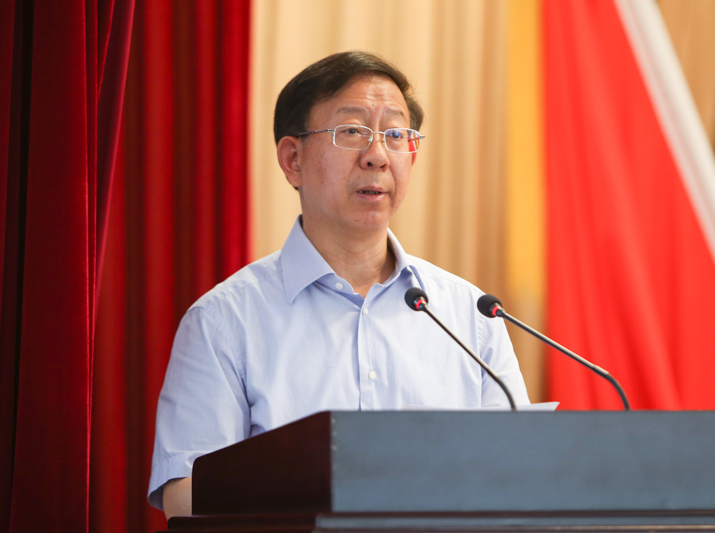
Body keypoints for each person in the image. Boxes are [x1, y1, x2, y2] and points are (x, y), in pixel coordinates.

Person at [149, 51, 529, 519]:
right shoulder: (223, 321)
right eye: (351, 131)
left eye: (396, 134)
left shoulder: (471, 315)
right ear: (293, 160)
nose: (377, 156)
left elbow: (520, 476)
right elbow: (187, 496)